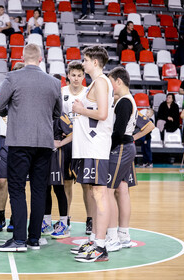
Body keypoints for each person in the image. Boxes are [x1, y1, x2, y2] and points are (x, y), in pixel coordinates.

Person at [0, 43, 62, 252]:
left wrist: (12, 113)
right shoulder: (54, 82)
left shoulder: (14, 77)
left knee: (17, 188)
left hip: (20, 142)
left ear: (22, 57)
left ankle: (19, 240)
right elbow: (57, 113)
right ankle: (34, 238)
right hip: (44, 143)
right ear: (41, 59)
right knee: (40, 190)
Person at [71, 46, 113, 263]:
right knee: (96, 196)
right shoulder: (96, 84)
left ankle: (101, 246)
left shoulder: (102, 82)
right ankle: (95, 240)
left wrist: (80, 110)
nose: (84, 63)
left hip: (97, 148)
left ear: (95, 62)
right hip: (89, 148)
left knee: (100, 195)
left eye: (86, 60)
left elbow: (103, 114)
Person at [43, 61, 94, 237]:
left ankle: (90, 219)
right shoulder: (61, 92)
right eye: (73, 75)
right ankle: (67, 218)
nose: (76, 78)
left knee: (87, 184)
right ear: (68, 76)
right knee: (65, 182)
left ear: (83, 77)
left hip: (85, 142)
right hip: (66, 142)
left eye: (80, 75)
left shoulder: (89, 93)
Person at [106, 67, 155, 252]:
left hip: (120, 149)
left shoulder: (124, 102)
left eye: (111, 82)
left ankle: (112, 237)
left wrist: (107, 149)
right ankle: (124, 235)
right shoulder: (129, 100)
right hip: (127, 147)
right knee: (122, 189)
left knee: (108, 191)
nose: (110, 86)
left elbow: (118, 133)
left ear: (119, 81)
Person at [0, 62, 25, 233]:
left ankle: (15, 216)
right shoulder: (5, 91)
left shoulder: (27, 95)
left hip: (20, 141)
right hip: (4, 141)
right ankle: (0, 214)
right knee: (2, 181)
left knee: (17, 182)